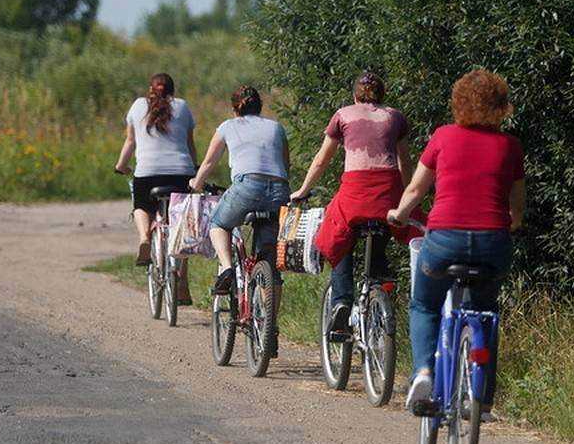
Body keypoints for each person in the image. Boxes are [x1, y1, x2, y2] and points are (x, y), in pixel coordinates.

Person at [387, 69, 526, 417]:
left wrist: (399, 215)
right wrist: (506, 224)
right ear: (501, 106)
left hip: (443, 239)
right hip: (493, 243)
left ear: (458, 103)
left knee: (424, 305)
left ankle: (423, 372)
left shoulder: (443, 137)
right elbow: (517, 212)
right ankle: (482, 400)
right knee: (485, 314)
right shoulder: (510, 146)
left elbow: (416, 189)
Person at [291, 72, 418, 333]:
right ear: (383, 95)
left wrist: (303, 189)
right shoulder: (395, 117)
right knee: (383, 228)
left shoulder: (343, 115)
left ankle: (341, 302)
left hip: (355, 191)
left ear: (354, 95)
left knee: (338, 234)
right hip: (387, 192)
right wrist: (408, 196)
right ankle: (380, 287)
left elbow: (321, 160)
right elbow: (405, 162)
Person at [189, 85, 290, 295]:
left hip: (247, 186)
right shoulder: (276, 127)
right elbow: (285, 166)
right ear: (260, 107)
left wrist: (196, 184)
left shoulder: (227, 126)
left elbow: (208, 163)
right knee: (269, 261)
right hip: (279, 191)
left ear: (235, 109)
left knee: (218, 223)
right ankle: (269, 326)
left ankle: (226, 269)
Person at [114, 73, 197, 304]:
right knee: (180, 225)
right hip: (181, 173)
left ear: (150, 89)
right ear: (173, 90)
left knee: (141, 204)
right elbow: (189, 144)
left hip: (147, 174)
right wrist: (194, 169)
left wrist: (121, 166)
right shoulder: (182, 106)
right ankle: (181, 282)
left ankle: (144, 238)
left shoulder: (138, 106)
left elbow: (130, 142)